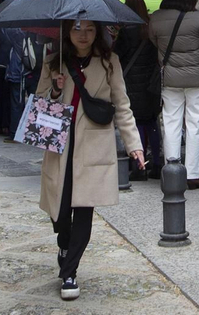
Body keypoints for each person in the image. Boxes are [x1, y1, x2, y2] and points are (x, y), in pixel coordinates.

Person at [35, 19, 146, 299]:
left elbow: (122, 105)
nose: (82, 35)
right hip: (60, 146)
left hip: (94, 146)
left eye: (88, 29)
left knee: (84, 210)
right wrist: (57, 90)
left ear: (97, 32)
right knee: (59, 213)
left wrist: (134, 144)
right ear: (67, 32)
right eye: (76, 29)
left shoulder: (110, 62)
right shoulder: (53, 62)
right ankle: (64, 241)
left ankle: (69, 273)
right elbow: (39, 102)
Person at [149, 0, 199, 190]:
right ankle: (192, 174)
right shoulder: (198, 19)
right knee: (195, 123)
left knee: (170, 123)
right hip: (197, 78)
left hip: (170, 78)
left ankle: (171, 171)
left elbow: (155, 42)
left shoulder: (156, 18)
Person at [114, 0, 162, 179]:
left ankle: (138, 167)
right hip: (150, 83)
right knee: (151, 123)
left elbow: (117, 54)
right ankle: (157, 163)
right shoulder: (150, 28)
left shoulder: (127, 32)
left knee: (137, 123)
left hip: (132, 82)